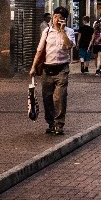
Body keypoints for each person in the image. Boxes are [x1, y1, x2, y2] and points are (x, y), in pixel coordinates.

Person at [30, 7, 75, 135]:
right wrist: (33, 67)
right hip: (47, 68)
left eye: (59, 17)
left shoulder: (69, 31)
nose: (56, 19)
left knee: (59, 98)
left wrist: (62, 31)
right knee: (47, 97)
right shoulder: (47, 31)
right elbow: (40, 50)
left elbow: (69, 46)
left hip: (62, 69)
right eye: (55, 16)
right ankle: (51, 123)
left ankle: (59, 124)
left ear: (65, 19)